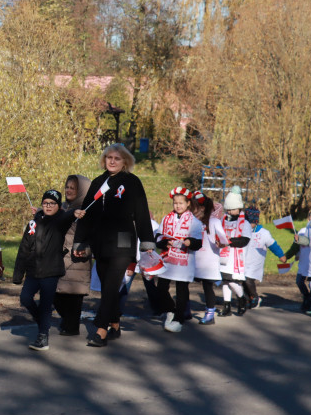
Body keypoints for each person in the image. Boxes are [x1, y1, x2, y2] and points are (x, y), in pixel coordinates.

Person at [73, 143, 155, 347]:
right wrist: (80, 240)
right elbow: (87, 212)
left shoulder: (132, 182)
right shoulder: (99, 182)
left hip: (123, 241)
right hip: (100, 242)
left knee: (111, 285)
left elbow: (142, 212)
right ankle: (115, 321)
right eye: (109, 157)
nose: (112, 161)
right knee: (106, 286)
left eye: (117, 158)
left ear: (125, 161)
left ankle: (101, 329)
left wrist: (146, 240)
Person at [12, 190, 84, 351]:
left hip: (51, 271)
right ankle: (43, 324)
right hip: (33, 270)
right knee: (25, 298)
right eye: (46, 203)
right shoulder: (34, 223)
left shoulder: (60, 221)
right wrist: (18, 274)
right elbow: (23, 248)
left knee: (45, 305)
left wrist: (74, 213)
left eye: (52, 203)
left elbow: (67, 216)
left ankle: (42, 337)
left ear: (58, 206)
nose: (49, 206)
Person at [154, 187, 203, 333]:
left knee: (182, 289)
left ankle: (179, 318)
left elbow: (199, 242)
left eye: (181, 203)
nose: (178, 206)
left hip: (184, 260)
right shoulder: (166, 218)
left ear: (188, 203)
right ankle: (171, 309)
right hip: (167, 258)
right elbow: (158, 237)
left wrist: (189, 242)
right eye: (175, 203)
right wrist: (164, 242)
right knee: (161, 288)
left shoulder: (194, 222)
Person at [54, 175, 92, 336]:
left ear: (81, 191)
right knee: (56, 294)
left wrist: (87, 250)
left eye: (73, 188)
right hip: (60, 257)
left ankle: (71, 326)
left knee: (74, 297)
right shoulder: (62, 207)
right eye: (67, 187)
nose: (68, 190)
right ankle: (67, 321)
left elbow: (95, 236)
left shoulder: (87, 211)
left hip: (78, 259)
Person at [190, 191, 226, 325]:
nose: (192, 210)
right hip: (194, 259)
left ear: (202, 208)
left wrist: (221, 243)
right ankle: (184, 309)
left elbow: (224, 239)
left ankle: (210, 313)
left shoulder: (214, 221)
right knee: (184, 283)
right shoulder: (193, 221)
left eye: (194, 207)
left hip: (209, 260)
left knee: (207, 287)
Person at [243, 208, 287, 310]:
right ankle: (249, 298)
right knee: (242, 281)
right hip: (244, 261)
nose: (248, 225)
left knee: (248, 279)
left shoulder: (264, 233)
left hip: (255, 262)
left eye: (250, 223)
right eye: (246, 222)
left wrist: (281, 255)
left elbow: (273, 245)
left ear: (256, 222)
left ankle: (255, 297)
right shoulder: (242, 230)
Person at [218, 187, 253, 317]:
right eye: (229, 209)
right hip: (223, 255)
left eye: (233, 209)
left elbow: (244, 240)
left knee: (232, 280)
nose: (230, 212)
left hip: (236, 257)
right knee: (225, 281)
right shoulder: (223, 221)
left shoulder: (245, 223)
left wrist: (229, 241)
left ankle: (242, 297)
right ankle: (226, 306)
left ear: (239, 208)